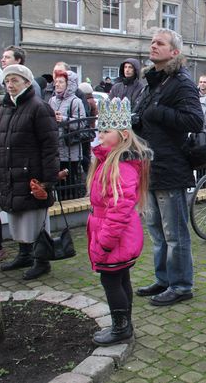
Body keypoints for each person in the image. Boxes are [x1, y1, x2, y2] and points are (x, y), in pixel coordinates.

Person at [132, 28, 203, 306]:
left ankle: (182, 285)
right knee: (157, 231)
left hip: (170, 167)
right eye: (152, 42)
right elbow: (150, 117)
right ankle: (164, 280)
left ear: (174, 52)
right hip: (148, 166)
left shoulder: (181, 82)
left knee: (175, 234)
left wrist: (158, 112)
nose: (153, 46)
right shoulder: (153, 81)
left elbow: (195, 120)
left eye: (160, 43)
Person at [87, 97, 152, 346]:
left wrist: (103, 243)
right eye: (99, 131)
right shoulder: (107, 161)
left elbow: (119, 210)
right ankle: (124, 324)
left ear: (123, 134)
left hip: (114, 238)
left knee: (112, 280)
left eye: (106, 131)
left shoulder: (121, 167)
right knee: (120, 278)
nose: (100, 136)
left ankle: (121, 328)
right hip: (113, 236)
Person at [0, 64, 59, 280]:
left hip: (32, 173)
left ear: (26, 82)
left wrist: (48, 180)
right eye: (7, 81)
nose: (10, 85)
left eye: (15, 80)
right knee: (16, 214)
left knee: (35, 219)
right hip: (11, 172)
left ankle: (41, 260)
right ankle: (24, 254)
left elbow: (50, 146)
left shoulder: (39, 107)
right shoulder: (5, 108)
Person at [49, 69, 86, 200]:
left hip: (71, 150)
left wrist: (64, 119)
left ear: (68, 84)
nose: (57, 84)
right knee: (58, 183)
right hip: (56, 149)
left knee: (70, 183)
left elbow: (82, 124)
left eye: (61, 82)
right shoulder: (52, 100)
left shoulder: (76, 101)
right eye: (56, 81)